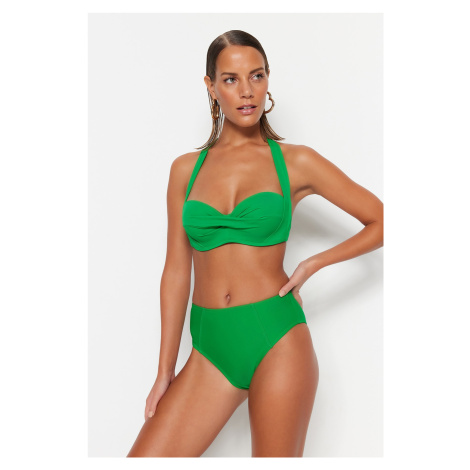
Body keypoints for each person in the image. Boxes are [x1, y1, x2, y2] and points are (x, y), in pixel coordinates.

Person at [127, 30, 383, 458]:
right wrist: (164, 370)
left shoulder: (296, 161)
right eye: (230, 79)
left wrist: (313, 263)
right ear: (211, 87)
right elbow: (176, 270)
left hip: (277, 338)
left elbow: (382, 220)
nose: (246, 91)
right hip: (210, 349)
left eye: (257, 76)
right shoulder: (185, 170)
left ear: (267, 80)